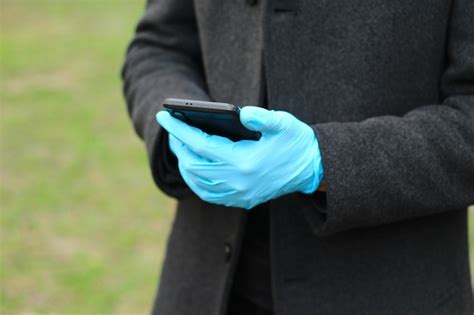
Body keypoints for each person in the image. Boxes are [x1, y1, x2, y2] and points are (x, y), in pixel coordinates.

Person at [121, 0, 474, 314]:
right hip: (203, 285)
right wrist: (179, 133)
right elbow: (158, 47)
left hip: (390, 290)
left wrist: (323, 161)